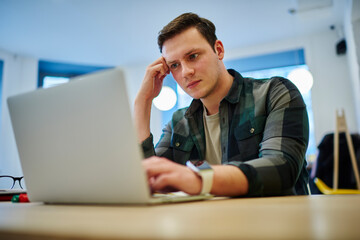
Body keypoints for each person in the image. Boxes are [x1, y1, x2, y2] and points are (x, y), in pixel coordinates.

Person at [134, 12, 309, 197]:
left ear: (218, 50)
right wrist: (142, 102)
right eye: (175, 65)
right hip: (212, 224)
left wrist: (199, 179)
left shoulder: (275, 93)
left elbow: (280, 167)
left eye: (193, 56)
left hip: (278, 222)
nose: (186, 72)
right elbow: (149, 180)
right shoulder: (178, 123)